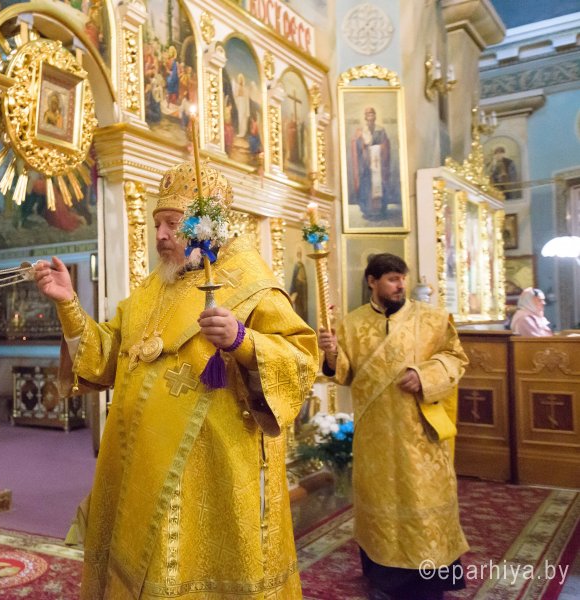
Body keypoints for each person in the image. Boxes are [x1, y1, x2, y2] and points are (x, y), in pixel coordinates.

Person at [34, 160, 319, 599]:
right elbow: (106, 357)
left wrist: (243, 341)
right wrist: (68, 304)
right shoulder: (153, 288)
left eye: (172, 223)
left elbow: (301, 359)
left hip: (207, 471)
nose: (161, 235)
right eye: (157, 225)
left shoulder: (252, 285)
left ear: (207, 228)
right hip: (138, 462)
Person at [317, 253, 469, 600]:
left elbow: (455, 358)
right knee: (379, 503)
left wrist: (424, 374)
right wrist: (331, 353)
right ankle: (383, 580)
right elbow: (344, 373)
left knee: (423, 501)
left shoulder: (432, 319)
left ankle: (430, 583)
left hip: (420, 433)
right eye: (392, 279)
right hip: (376, 437)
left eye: (402, 278)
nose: (400, 285)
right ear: (372, 281)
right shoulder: (351, 324)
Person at [350, 106, 392, 221]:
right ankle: (368, 210)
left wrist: (378, 149)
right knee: (367, 186)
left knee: (380, 184)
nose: (370, 116)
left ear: (375, 116)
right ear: (365, 117)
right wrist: (361, 144)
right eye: (368, 114)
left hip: (378, 165)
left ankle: (380, 210)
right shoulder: (360, 131)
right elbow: (355, 144)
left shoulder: (381, 130)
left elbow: (386, 145)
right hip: (366, 166)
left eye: (372, 114)